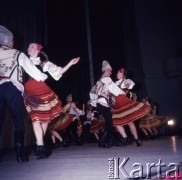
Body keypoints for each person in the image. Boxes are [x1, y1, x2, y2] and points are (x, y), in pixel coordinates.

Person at [0, 25, 48, 162]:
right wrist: (43, 77)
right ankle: (20, 154)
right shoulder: (17, 54)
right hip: (12, 88)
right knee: (18, 121)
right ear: (10, 42)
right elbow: (33, 71)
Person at [24, 43, 79, 158]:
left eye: (32, 46)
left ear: (38, 50)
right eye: (28, 46)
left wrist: (70, 63)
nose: (29, 48)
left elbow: (58, 73)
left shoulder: (44, 63)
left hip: (41, 90)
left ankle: (39, 145)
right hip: (29, 92)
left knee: (43, 120)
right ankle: (40, 146)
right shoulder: (23, 60)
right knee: (35, 118)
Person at [90, 60, 126, 148]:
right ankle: (101, 142)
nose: (111, 73)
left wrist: (94, 101)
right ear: (106, 70)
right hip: (103, 103)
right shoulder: (107, 79)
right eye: (110, 71)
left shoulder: (99, 80)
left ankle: (111, 140)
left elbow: (92, 92)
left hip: (100, 103)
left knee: (110, 122)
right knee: (109, 123)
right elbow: (113, 88)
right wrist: (123, 93)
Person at [112, 68, 151, 146]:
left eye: (117, 73)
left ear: (122, 74)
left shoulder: (126, 81)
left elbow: (131, 85)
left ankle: (136, 139)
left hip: (124, 102)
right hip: (117, 103)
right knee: (116, 122)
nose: (116, 74)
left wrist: (127, 85)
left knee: (130, 122)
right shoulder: (115, 83)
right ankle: (125, 138)